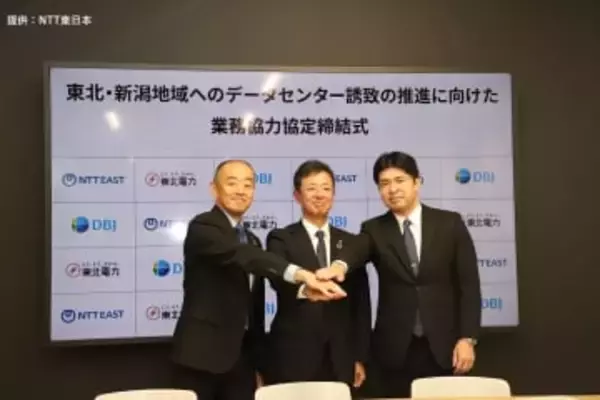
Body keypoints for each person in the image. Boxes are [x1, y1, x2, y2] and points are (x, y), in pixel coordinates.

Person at [170, 159, 346, 400]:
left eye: (248, 185)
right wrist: (302, 274)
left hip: (242, 360)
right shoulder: (204, 226)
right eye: (232, 183)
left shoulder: (252, 239)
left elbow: (254, 308)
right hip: (201, 357)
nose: (240, 191)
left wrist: (259, 361)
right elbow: (240, 254)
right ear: (214, 189)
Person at [314, 151, 482, 398]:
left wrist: (467, 338)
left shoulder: (450, 223)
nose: (392, 189)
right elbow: (357, 249)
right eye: (384, 184)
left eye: (399, 180)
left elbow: (470, 286)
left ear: (417, 182)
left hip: (447, 347)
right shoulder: (374, 229)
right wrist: (339, 266)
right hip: (394, 350)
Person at [258, 160, 371, 391]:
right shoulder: (281, 238)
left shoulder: (351, 244)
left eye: (326, 188)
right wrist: (307, 289)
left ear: (333, 195)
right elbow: (279, 281)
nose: (320, 195)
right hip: (293, 352)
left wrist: (359, 356)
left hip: (341, 355)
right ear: (297, 196)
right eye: (311, 188)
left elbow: (360, 303)